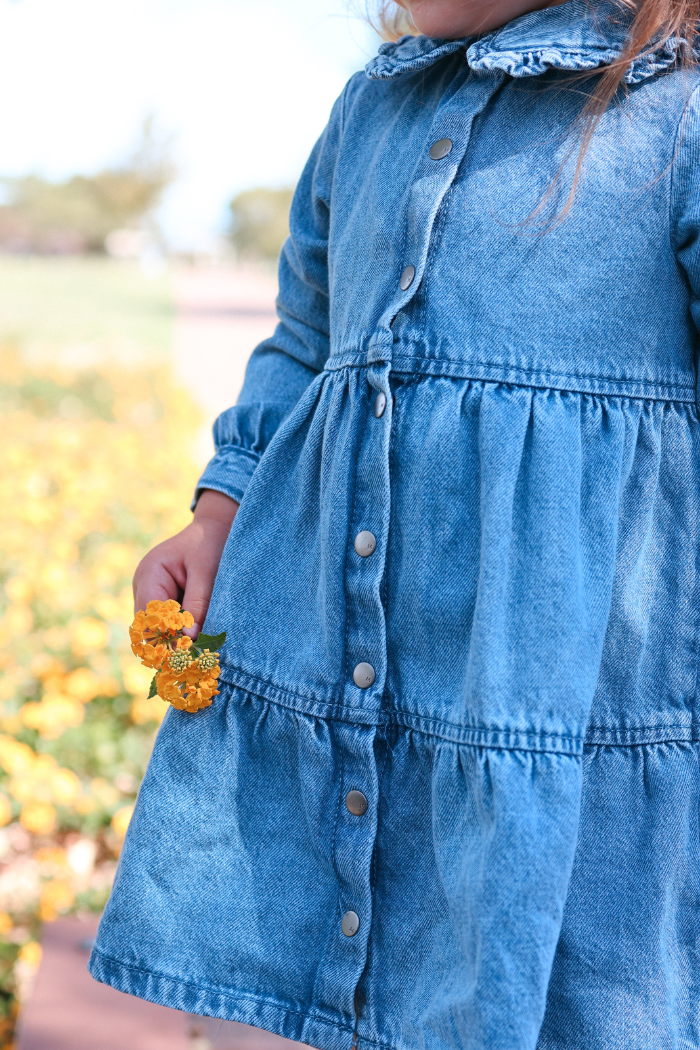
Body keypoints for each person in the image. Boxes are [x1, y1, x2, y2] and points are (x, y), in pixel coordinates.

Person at [89, 0, 700, 1046]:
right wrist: (217, 511)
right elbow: (304, 334)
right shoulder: (371, 110)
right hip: (330, 659)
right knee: (308, 964)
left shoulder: (674, 121)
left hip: (559, 688)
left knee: (527, 970)